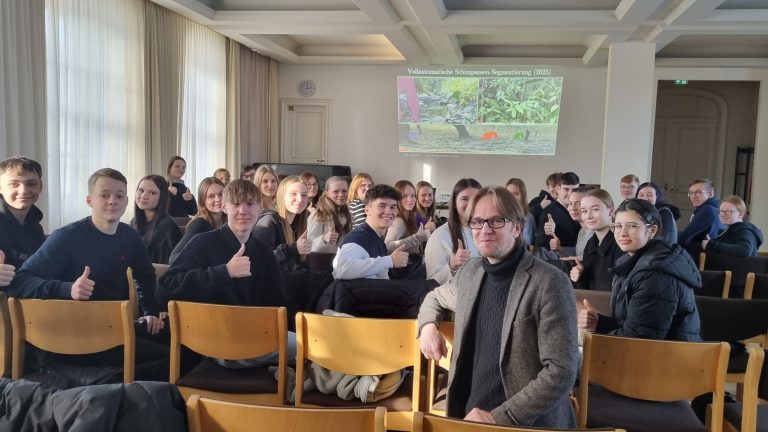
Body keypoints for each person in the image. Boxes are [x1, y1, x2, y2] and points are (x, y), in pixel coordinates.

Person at [418, 186, 579, 427]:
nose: (485, 230)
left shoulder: (550, 282)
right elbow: (434, 298)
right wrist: (429, 327)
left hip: (526, 422)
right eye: (478, 221)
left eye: (496, 221)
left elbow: (561, 371)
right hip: (468, 415)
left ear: (517, 227)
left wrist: (498, 417)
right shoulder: (470, 272)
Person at [10, 168, 167, 385]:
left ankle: (103, 379)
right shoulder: (66, 237)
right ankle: (82, 375)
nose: (112, 201)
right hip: (74, 334)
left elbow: (145, 275)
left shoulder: (129, 235)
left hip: (114, 328)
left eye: (119, 195)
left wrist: (150, 311)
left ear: (126, 200)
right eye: (104, 195)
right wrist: (68, 289)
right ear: (90, 200)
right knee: (172, 359)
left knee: (181, 343)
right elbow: (20, 281)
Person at [159, 179, 296, 367]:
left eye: (249, 204)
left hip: (251, 335)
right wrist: (224, 272)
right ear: (224, 207)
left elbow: (279, 302)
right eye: (236, 204)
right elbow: (167, 286)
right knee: (313, 349)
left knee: (316, 343)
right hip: (209, 341)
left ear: (259, 208)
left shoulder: (263, 252)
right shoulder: (203, 243)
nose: (243, 211)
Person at [578, 199, 701, 341]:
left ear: (652, 230)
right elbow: (632, 325)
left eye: (632, 226)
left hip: (670, 358)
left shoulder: (656, 273)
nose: (622, 233)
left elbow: (638, 339)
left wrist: (594, 342)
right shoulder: (630, 262)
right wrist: (599, 323)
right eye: (617, 226)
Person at [333, 184, 409, 280]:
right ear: (367, 210)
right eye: (382, 206)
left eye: (393, 207)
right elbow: (342, 269)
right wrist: (389, 261)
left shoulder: (378, 239)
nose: (388, 211)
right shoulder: (359, 237)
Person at [424, 179, 481, 284]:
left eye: (476, 199)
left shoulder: (486, 231)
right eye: (464, 199)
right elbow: (431, 283)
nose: (471, 204)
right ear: (454, 203)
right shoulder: (440, 236)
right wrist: (452, 265)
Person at [0, 156, 46, 287]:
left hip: (29, 301)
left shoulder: (36, 228)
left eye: (31, 183)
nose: (23, 191)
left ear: (40, 187)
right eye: (14, 184)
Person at [570, 189, 624, 291]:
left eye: (595, 209)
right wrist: (579, 276)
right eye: (584, 211)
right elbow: (588, 288)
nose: (589, 216)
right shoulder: (590, 244)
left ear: (611, 211)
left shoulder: (621, 242)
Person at [169, 177, 226, 264]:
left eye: (221, 194)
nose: (218, 199)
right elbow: (174, 258)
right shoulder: (199, 224)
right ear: (203, 201)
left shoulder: (228, 221)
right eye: (211, 196)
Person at [131, 175, 182, 268]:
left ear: (161, 197)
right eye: (141, 190)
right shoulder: (134, 221)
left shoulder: (167, 226)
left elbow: (166, 268)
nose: (144, 196)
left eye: (152, 193)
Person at [678, 178, 725, 258]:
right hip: (714, 254)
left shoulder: (708, 210)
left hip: (705, 256)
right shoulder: (717, 208)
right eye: (691, 193)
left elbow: (686, 236)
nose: (694, 196)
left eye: (698, 192)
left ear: (710, 194)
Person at [535, 172, 580, 251]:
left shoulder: (576, 211)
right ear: (558, 189)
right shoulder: (550, 211)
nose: (570, 194)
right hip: (556, 261)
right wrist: (549, 232)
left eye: (574, 190)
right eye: (566, 189)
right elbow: (542, 246)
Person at [307, 176, 351, 253]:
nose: (341, 195)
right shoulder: (319, 215)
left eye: (344, 191)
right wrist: (324, 239)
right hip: (321, 262)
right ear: (327, 193)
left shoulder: (348, 214)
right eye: (336, 191)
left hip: (340, 262)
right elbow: (308, 245)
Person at [505, 178, 534, 246]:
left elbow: (526, 243)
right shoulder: (502, 215)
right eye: (509, 194)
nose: (512, 197)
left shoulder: (528, 218)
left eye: (516, 194)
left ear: (522, 196)